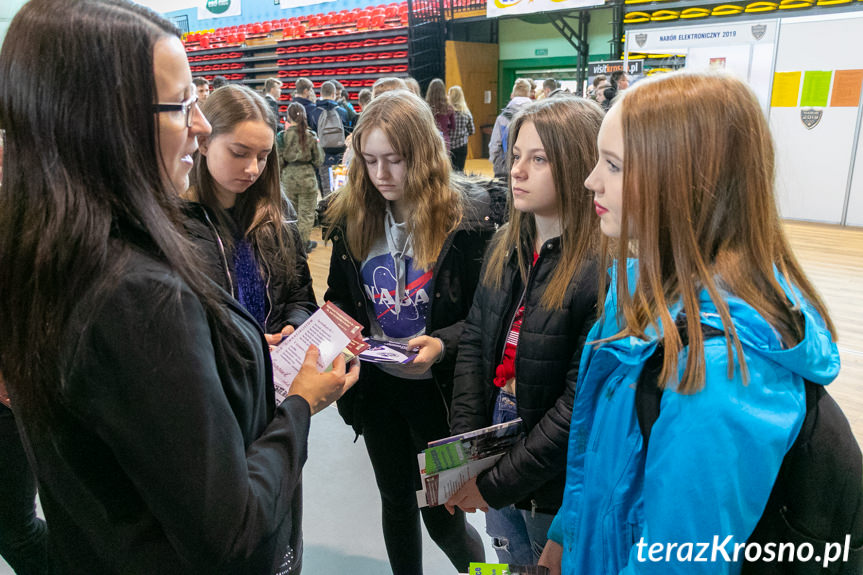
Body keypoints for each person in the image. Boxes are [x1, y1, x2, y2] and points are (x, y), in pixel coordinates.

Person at [0, 2, 357, 573]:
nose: (198, 124)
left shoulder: (53, 253)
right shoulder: (138, 292)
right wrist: (300, 405)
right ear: (104, 120)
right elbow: (230, 531)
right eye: (182, 104)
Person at [537, 71, 841, 574]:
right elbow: (608, 459)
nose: (591, 180)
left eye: (612, 165)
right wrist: (567, 534)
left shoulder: (719, 376)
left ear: (677, 183)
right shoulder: (638, 292)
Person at [324, 90, 493, 575]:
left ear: (421, 156)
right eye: (370, 160)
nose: (381, 175)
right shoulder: (354, 213)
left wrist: (443, 344)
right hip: (379, 391)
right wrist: (341, 331)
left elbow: (487, 314)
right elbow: (338, 297)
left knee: (443, 516)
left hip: (439, 397)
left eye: (394, 161)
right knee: (395, 502)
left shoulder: (466, 218)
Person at [446, 97, 603, 566]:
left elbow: (576, 409)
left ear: (579, 166)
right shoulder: (504, 243)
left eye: (539, 159)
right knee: (508, 561)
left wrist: (493, 484)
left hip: (551, 480)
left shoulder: (599, 269)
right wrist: (465, 451)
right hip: (498, 432)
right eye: (516, 156)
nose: (517, 170)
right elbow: (474, 344)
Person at [185, 84, 316, 340]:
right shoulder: (177, 221)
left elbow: (301, 294)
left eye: (263, 156)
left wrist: (294, 324)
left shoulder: (276, 209)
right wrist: (249, 345)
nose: (253, 169)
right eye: (239, 153)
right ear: (203, 143)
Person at [277, 102, 324, 252]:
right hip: (307, 178)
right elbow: (319, 160)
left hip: (288, 178)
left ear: (288, 117)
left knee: (291, 214)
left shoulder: (281, 137)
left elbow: (278, 161)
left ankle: (292, 245)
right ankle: (303, 244)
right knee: (307, 214)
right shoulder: (311, 135)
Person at [310, 80, 349, 196]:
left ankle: (327, 213)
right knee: (340, 190)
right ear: (334, 94)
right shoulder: (342, 111)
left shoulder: (314, 112)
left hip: (322, 156)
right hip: (340, 156)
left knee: (326, 192)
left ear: (320, 94)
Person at [489, 78, 533, 180]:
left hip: (506, 167)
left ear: (513, 94)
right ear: (529, 93)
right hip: (531, 168)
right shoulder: (538, 115)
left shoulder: (503, 117)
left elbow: (495, 144)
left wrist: (495, 161)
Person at [446, 85, 475, 172]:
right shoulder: (466, 113)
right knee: (460, 172)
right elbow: (472, 130)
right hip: (462, 146)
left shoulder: (446, 112)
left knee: (450, 173)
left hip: (448, 147)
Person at [426, 78, 455, 152]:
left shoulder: (426, 107)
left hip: (430, 139)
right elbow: (453, 126)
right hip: (444, 139)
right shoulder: (449, 107)